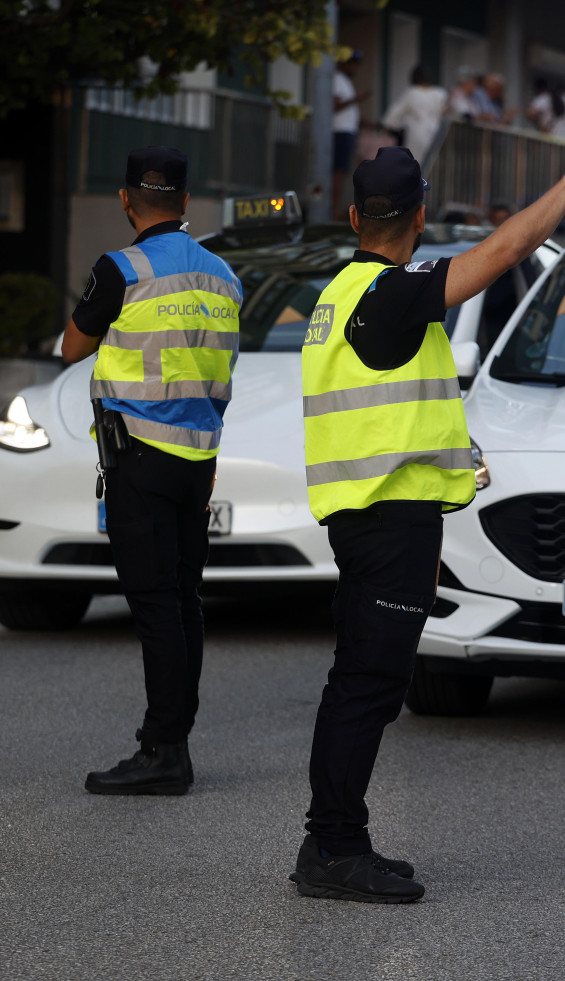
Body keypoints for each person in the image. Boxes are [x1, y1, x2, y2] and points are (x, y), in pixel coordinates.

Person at [291, 107, 565, 904]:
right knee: (367, 681)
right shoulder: (389, 295)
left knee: (358, 677)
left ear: (356, 216)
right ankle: (331, 846)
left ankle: (334, 837)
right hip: (385, 514)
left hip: (374, 511)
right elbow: (502, 251)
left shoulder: (342, 290)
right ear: (420, 216)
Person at [62, 146, 242, 795]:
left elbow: (72, 345)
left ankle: (164, 748)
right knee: (183, 600)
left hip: (139, 456)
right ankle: (176, 735)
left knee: (154, 604)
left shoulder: (121, 268)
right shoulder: (225, 276)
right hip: (198, 459)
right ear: (187, 201)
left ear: (125, 199)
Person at [381, 64, 447, 164]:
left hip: (416, 134)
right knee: (433, 166)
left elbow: (392, 116)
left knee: (415, 166)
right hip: (435, 133)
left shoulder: (412, 93)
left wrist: (398, 126)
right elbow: (444, 113)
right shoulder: (440, 93)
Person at [333, 50, 371, 220]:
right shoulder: (336, 79)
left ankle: (337, 210)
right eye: (352, 63)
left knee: (343, 172)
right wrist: (358, 98)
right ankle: (333, 212)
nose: (355, 67)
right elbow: (335, 105)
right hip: (339, 131)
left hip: (348, 131)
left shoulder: (346, 82)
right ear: (343, 63)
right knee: (338, 173)